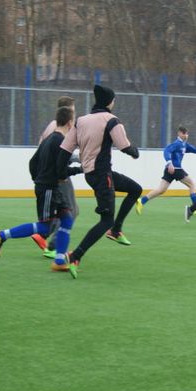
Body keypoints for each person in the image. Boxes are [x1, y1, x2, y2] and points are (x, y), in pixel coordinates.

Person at [57, 84, 142, 269]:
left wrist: (60, 172)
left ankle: (116, 230)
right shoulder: (111, 120)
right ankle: (75, 256)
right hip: (103, 175)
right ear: (110, 102)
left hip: (93, 174)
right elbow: (124, 146)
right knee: (106, 220)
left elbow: (64, 149)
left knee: (135, 189)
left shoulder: (81, 121)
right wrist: (136, 152)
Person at [0, 106, 82, 276]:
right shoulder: (59, 141)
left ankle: (60, 260)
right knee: (45, 226)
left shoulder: (50, 139)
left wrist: (38, 178)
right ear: (70, 123)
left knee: (67, 219)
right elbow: (61, 172)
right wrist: (81, 169)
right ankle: (2, 235)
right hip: (48, 188)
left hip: (50, 187)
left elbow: (33, 162)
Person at [39, 96, 80, 258]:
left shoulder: (52, 127)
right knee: (71, 211)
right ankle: (53, 246)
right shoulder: (58, 130)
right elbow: (60, 155)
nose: (75, 114)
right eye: (73, 111)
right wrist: (80, 161)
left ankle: (50, 241)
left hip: (53, 175)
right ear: (68, 111)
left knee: (65, 211)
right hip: (58, 176)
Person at [136, 126, 196, 214]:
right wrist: (169, 163)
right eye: (184, 133)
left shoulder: (184, 144)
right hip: (176, 169)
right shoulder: (177, 143)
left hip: (170, 170)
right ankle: (195, 208)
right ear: (179, 133)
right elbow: (167, 150)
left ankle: (142, 201)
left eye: (187, 134)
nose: (186, 135)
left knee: (161, 190)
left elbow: (194, 149)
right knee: (192, 184)